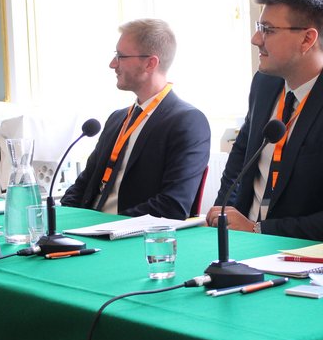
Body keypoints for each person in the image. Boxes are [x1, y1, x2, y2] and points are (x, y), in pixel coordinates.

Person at [205, 0, 323, 243]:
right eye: (259, 28)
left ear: (307, 39)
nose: (256, 39)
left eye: (268, 30)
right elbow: (241, 158)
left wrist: (258, 229)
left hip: (305, 254)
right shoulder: (264, 83)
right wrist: (222, 216)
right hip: (243, 244)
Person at [61, 18, 211, 219]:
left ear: (150, 63)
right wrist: (64, 218)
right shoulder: (117, 118)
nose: (112, 64)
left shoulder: (187, 122)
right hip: (90, 227)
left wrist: (108, 226)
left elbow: (173, 205)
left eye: (120, 56)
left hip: (129, 232)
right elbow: (83, 185)